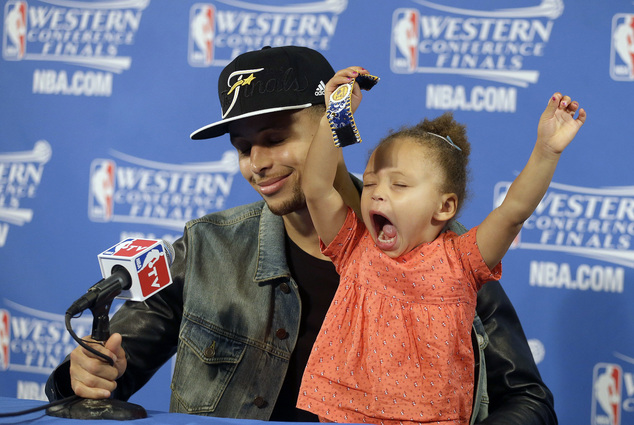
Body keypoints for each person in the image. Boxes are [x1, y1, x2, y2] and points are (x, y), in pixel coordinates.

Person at [46, 46, 559, 424]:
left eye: (275, 139)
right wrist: (83, 377)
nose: (258, 164)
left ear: (326, 134)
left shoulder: (443, 253)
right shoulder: (206, 249)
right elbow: (108, 367)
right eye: (244, 147)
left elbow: (527, 401)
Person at [295, 67, 586, 424]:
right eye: (370, 183)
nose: (378, 193)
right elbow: (317, 188)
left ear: (444, 206)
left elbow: (513, 212)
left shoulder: (462, 261)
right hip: (342, 412)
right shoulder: (354, 247)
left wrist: (546, 150)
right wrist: (335, 114)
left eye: (400, 185)